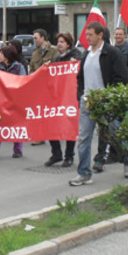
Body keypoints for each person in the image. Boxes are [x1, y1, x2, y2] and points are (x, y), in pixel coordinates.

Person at [69, 22, 128, 186]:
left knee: (115, 134)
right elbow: (80, 78)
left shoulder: (112, 53)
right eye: (86, 34)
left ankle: (127, 160)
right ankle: (84, 173)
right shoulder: (86, 54)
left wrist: (110, 96)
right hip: (88, 103)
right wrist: (80, 95)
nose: (87, 38)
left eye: (90, 34)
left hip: (107, 102)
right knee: (83, 138)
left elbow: (122, 78)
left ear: (100, 35)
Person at [46, 33, 80, 167]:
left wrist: (75, 64)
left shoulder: (76, 56)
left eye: (62, 42)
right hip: (57, 98)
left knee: (69, 126)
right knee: (51, 125)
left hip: (70, 98)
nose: (59, 44)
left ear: (68, 44)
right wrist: (47, 67)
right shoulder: (56, 58)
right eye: (58, 42)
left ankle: (69, 156)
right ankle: (56, 154)